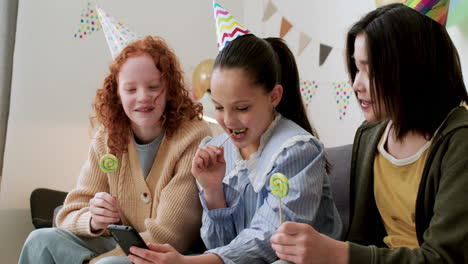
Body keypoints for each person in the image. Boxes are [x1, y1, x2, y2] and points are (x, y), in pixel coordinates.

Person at [270, 3, 468, 264]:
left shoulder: (460, 142)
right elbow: (363, 237)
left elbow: (443, 258)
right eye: (356, 67)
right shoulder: (370, 135)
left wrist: (336, 252)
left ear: (413, 69)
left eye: (370, 70)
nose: (356, 84)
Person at [126, 33, 342, 264]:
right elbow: (220, 247)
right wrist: (212, 191)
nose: (228, 121)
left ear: (274, 96)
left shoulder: (298, 151)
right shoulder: (217, 150)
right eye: (219, 107)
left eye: (241, 108)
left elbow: (273, 240)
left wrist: (188, 263)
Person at [19, 36, 212, 264]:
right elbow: (66, 215)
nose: (143, 97)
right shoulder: (106, 138)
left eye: (153, 87)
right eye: (130, 89)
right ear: (117, 94)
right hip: (116, 246)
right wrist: (93, 219)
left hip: (166, 256)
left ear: (169, 88)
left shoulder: (193, 135)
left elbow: (168, 235)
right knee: (39, 240)